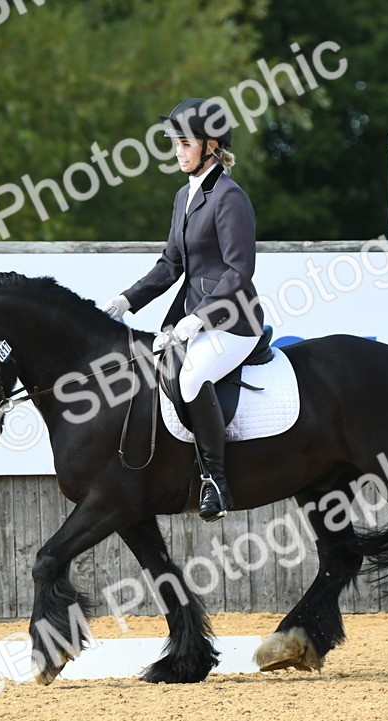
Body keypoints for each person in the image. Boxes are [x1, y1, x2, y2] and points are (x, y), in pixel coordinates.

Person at [101, 98, 265, 522]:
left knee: (191, 377)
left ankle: (217, 482)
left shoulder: (230, 198)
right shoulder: (184, 196)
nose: (177, 150)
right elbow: (170, 265)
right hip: (189, 316)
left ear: (211, 145)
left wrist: (199, 318)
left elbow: (239, 270)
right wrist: (126, 300)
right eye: (174, 141)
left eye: (184, 142)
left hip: (232, 320)